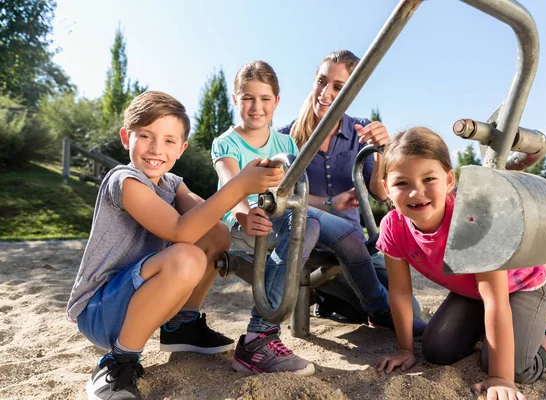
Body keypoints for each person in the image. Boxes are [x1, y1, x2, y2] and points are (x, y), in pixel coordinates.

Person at [66, 91, 284, 400]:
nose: (156, 149)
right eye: (146, 136)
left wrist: (244, 211)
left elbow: (204, 216)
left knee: (218, 234)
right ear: (126, 138)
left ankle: (180, 326)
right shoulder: (124, 180)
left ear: (181, 149)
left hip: (137, 296)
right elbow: (181, 229)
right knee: (187, 258)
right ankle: (117, 361)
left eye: (169, 141)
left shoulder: (171, 183)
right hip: (100, 310)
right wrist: (240, 185)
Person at [374, 127, 546, 400]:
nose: (416, 192)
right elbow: (399, 293)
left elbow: (495, 300)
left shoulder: (470, 220)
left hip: (522, 288)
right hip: (471, 294)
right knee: (438, 351)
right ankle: (516, 331)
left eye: (428, 178)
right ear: (386, 188)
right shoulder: (393, 227)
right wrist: (405, 350)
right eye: (401, 183)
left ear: (449, 180)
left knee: (515, 369)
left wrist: (500, 379)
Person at [279, 49, 423, 331]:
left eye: (338, 87)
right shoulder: (285, 137)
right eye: (322, 81)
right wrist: (331, 204)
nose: (325, 93)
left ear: (352, 93)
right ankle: (335, 296)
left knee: (412, 310)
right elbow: (284, 198)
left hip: (358, 246)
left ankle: (330, 300)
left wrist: (382, 152)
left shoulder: (362, 130)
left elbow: (382, 194)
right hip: (309, 239)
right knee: (386, 311)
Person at [211, 61, 319, 375]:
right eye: (247, 98)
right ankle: (260, 336)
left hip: (278, 223)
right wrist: (244, 213)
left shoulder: (286, 145)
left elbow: (295, 193)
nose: (256, 106)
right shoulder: (226, 142)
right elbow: (232, 184)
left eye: (264, 98)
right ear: (235, 99)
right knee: (303, 227)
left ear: (277, 102)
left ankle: (260, 335)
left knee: (311, 223)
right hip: (241, 224)